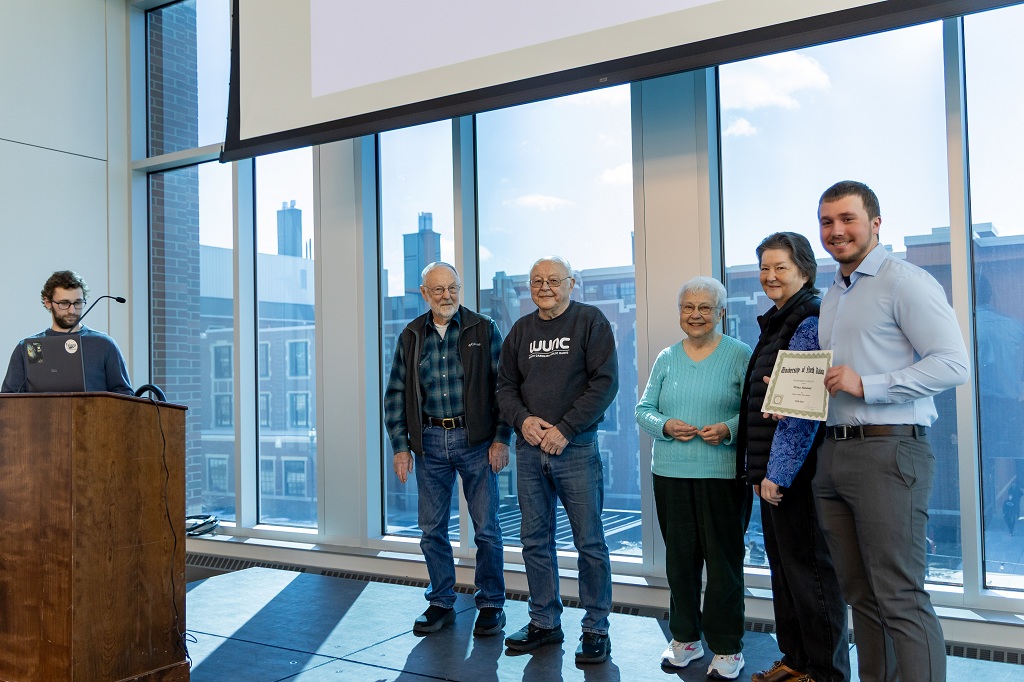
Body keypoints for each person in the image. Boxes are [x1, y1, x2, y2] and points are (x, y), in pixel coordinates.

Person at [815, 181, 969, 682]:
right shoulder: (834, 294)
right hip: (834, 452)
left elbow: (952, 364)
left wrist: (870, 384)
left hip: (889, 450)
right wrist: (795, 391)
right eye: (826, 222)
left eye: (847, 219)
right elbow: (840, 376)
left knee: (899, 594)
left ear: (875, 224)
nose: (836, 231)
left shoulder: (904, 281)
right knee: (860, 594)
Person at [736, 233, 849, 682]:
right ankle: (796, 663)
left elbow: (802, 413)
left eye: (780, 267)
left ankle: (822, 672)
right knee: (785, 572)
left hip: (796, 473)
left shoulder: (809, 319)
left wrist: (777, 474)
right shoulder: (780, 320)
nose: (770, 276)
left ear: (804, 269)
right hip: (773, 469)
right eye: (764, 267)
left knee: (810, 575)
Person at [496, 256, 618, 664]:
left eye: (553, 280)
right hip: (530, 452)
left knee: (590, 542)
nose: (544, 286)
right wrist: (523, 420)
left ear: (571, 283)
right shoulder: (520, 330)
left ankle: (596, 628)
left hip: (576, 449)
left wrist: (566, 429)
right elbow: (505, 387)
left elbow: (605, 384)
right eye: (536, 281)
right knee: (534, 541)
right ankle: (544, 623)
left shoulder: (590, 322)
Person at [383, 262, 511, 637]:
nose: (446, 296)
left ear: (460, 288)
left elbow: (504, 388)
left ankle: (491, 604)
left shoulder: (483, 329)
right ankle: (441, 601)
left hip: (477, 443)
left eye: (452, 288)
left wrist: (502, 438)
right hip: (430, 444)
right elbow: (395, 395)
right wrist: (400, 446)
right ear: (424, 294)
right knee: (430, 530)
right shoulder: (411, 335)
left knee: (486, 529)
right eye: (437, 290)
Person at [636, 276, 752, 680]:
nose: (696, 315)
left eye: (706, 308)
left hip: (722, 475)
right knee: (680, 563)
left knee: (723, 564)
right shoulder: (667, 358)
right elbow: (643, 410)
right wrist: (665, 425)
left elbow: (756, 412)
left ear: (721, 313)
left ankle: (727, 648)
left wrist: (729, 429)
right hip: (669, 474)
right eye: (689, 307)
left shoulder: (740, 354)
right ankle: (685, 640)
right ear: (680, 312)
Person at [2, 270, 132, 394]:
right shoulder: (32, 348)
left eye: (78, 303)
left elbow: (125, 395)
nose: (72, 311)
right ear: (48, 302)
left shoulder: (104, 345)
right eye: (64, 303)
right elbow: (10, 400)